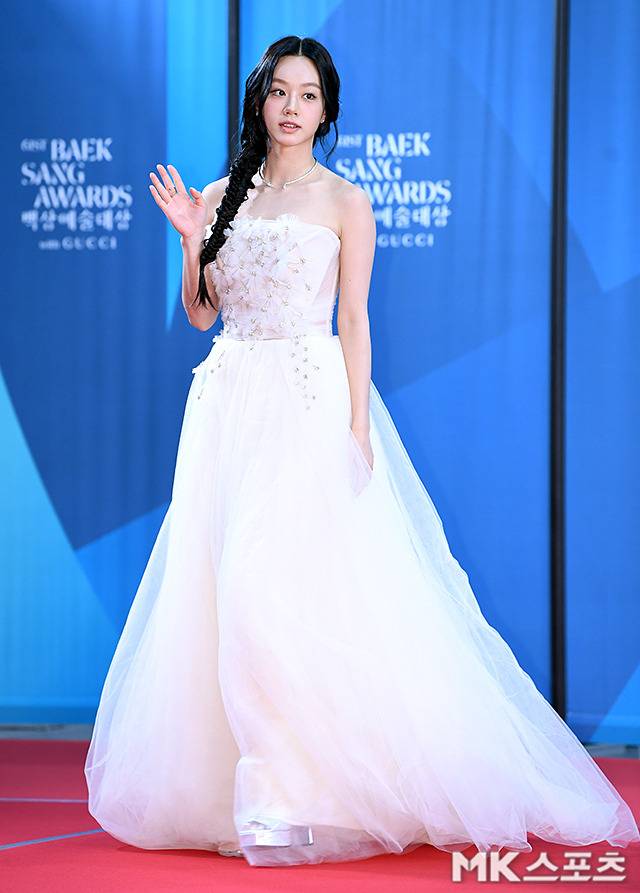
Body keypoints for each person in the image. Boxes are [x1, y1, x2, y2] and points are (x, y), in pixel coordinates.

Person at [84, 35, 640, 868]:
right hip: (228, 402)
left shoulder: (346, 201)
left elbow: (353, 320)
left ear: (327, 109)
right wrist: (191, 239)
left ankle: (283, 799)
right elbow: (201, 316)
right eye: (280, 91)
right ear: (260, 100)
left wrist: (355, 428)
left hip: (308, 402)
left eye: (308, 95)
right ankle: (246, 786)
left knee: (267, 594)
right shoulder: (221, 193)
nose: (292, 108)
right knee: (219, 592)